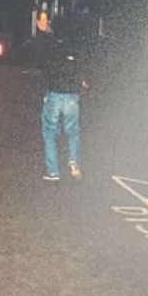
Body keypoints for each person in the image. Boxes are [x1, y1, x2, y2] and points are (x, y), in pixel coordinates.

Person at [35, 31, 88, 182]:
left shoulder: (53, 53)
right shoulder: (77, 55)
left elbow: (46, 72)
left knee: (50, 132)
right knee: (73, 131)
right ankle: (73, 161)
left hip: (54, 95)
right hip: (71, 97)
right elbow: (82, 78)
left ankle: (53, 172)